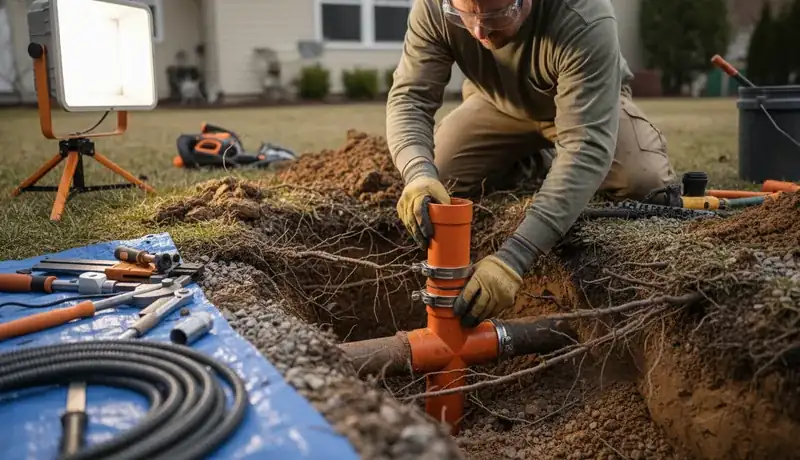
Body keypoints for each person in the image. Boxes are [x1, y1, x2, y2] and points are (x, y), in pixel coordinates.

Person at [385, 0, 676, 328]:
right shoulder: (435, 6)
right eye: (465, 15)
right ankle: (536, 162)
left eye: (495, 16)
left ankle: (562, 163)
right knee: (443, 174)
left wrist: (514, 258)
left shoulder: (583, 13)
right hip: (497, 104)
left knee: (641, 180)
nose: (479, 30)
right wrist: (418, 173)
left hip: (585, 106)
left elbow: (586, 146)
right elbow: (410, 99)